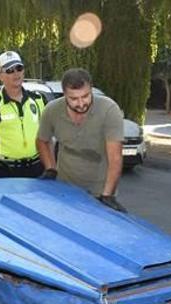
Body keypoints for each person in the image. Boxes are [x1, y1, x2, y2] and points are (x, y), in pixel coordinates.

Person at [35, 68, 125, 211]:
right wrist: (50, 168)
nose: (81, 103)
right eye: (74, 99)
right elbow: (42, 140)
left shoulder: (109, 110)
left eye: (85, 96)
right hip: (64, 189)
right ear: (65, 95)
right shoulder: (52, 111)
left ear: (91, 89)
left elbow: (115, 157)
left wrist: (107, 196)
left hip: (98, 193)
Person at [0, 51, 44, 178]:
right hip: (5, 170)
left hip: (36, 168)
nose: (16, 73)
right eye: (9, 70)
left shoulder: (38, 99)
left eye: (19, 68)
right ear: (0, 75)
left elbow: (46, 137)